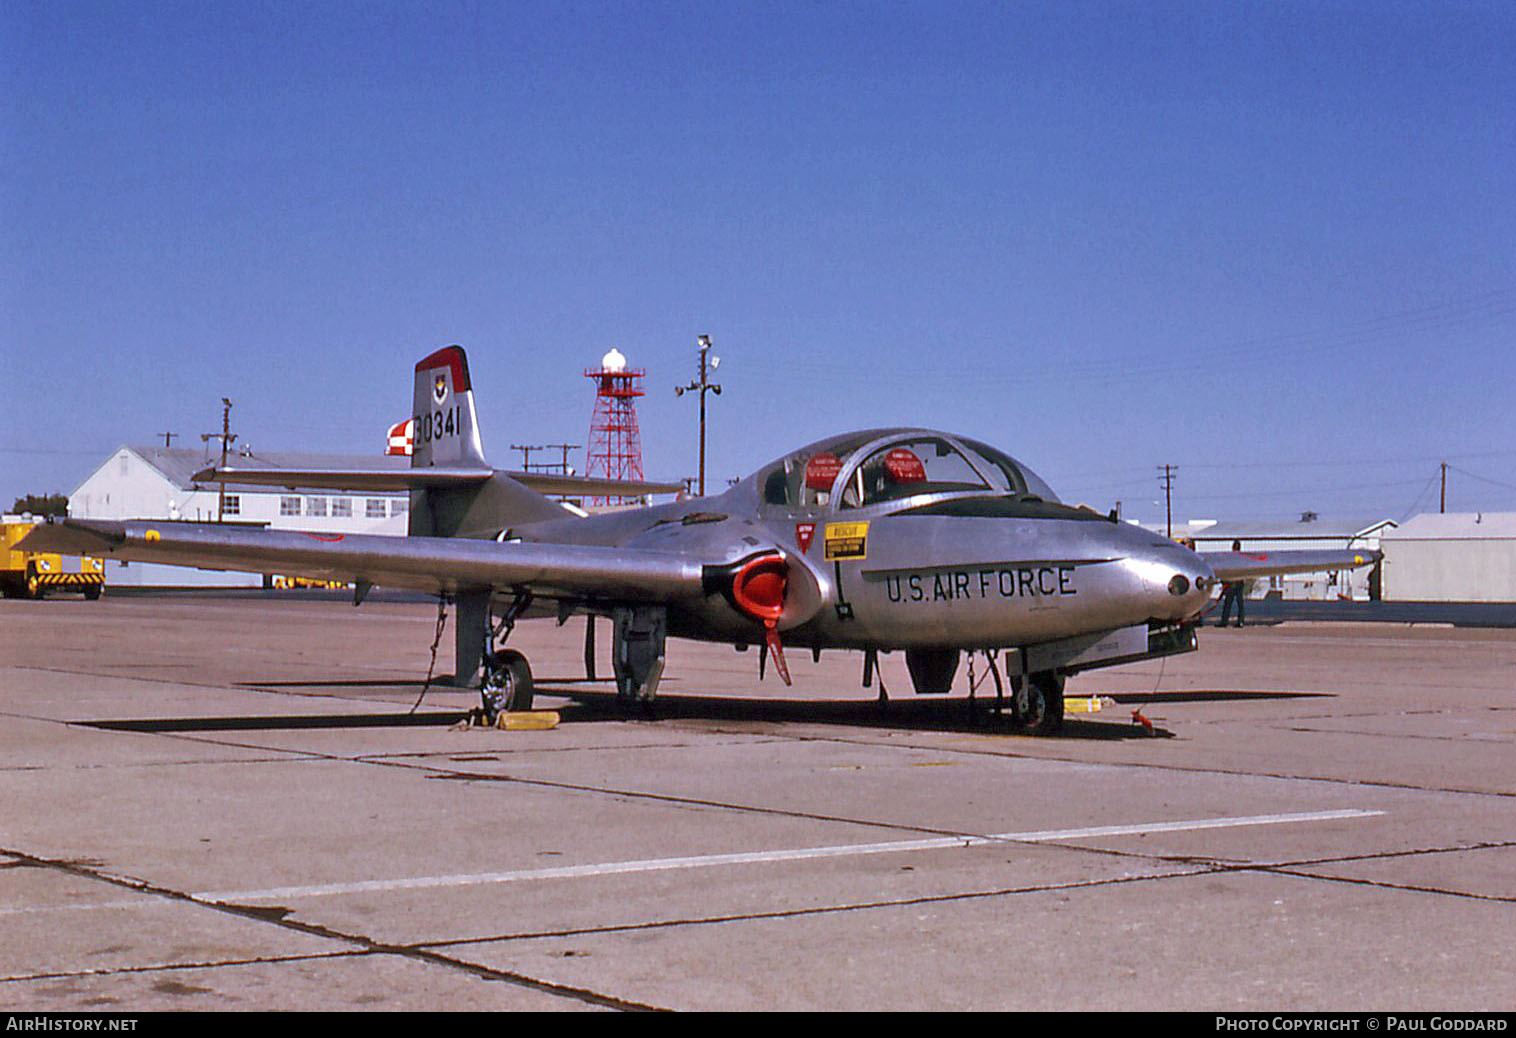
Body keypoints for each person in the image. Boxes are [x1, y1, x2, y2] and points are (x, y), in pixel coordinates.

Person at [1218, 540, 1245, 627]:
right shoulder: (1241, 558)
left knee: (1231, 604)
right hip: (1235, 583)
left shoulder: (1232, 558)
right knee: (1235, 603)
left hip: (1234, 583)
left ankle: (1226, 621)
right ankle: (1238, 621)